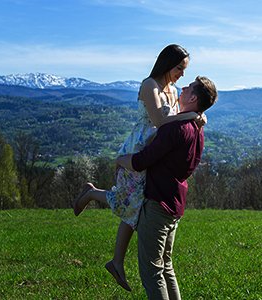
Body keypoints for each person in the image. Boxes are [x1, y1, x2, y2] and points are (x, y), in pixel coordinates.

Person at [73, 44, 206, 291]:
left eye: (184, 69)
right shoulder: (149, 86)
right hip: (138, 150)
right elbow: (160, 121)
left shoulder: (173, 89)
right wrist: (191, 115)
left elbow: (172, 126)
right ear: (167, 63)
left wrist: (194, 116)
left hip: (155, 154)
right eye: (179, 68)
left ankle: (116, 261)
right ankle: (91, 194)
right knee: (131, 203)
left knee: (135, 205)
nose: (182, 74)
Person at [115, 76, 218, 299]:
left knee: (152, 272)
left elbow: (141, 161)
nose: (182, 86)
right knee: (166, 266)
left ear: (192, 97)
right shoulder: (196, 129)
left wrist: (120, 159)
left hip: (157, 204)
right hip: (175, 204)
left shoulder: (175, 128)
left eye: (188, 87)